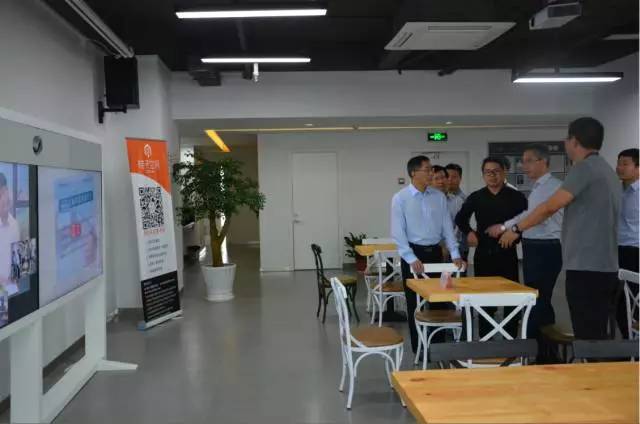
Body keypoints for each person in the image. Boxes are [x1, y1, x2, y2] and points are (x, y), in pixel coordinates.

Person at [499, 117, 620, 340]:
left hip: (586, 264)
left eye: (566, 139)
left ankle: (587, 363)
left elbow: (550, 207)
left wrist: (515, 229)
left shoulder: (584, 168)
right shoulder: (607, 169)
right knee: (598, 330)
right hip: (605, 264)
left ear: (574, 141)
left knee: (588, 332)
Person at [488, 144, 563, 344]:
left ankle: (534, 345)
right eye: (522, 161)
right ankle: (544, 347)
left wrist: (512, 230)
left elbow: (537, 216)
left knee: (537, 298)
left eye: (529, 161)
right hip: (537, 246)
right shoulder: (539, 186)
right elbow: (528, 214)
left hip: (545, 247)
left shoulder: (551, 186)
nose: (523, 165)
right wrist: (504, 226)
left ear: (543, 162)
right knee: (538, 297)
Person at [391, 156, 465, 354]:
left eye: (432, 169)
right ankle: (419, 348)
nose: (432, 173)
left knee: (439, 300)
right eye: (427, 169)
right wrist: (410, 258)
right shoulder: (400, 198)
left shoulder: (438, 197)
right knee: (415, 303)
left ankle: (438, 346)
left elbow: (447, 227)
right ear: (413, 173)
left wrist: (455, 252)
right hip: (414, 255)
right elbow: (398, 232)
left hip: (436, 253)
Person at [455, 157, 527, 338]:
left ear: (504, 172)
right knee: (484, 297)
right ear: (483, 175)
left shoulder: (516, 197)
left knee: (511, 297)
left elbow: (526, 220)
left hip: (507, 253)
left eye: (496, 171)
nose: (492, 176)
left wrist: (516, 234)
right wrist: (469, 233)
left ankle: (510, 338)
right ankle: (486, 338)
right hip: (483, 253)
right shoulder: (476, 197)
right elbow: (460, 219)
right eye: (488, 172)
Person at [615, 148, 638, 338]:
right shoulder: (618, 190)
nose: (619, 167)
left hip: (635, 251)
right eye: (619, 163)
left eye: (625, 164)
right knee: (620, 300)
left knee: (634, 298)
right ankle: (627, 339)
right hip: (618, 250)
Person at [0, 172, 20, 290]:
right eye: (0, 195)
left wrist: (14, 281)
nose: (5, 198)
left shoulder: (14, 224)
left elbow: (17, 260)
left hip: (12, 290)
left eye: (5, 191)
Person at [445, 163, 468, 264]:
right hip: (442, 246)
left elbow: (459, 226)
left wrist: (450, 247)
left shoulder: (463, 200)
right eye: (447, 176)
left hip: (458, 247)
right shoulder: (439, 198)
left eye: (454, 177)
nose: (450, 179)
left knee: (457, 273)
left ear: (460, 178)